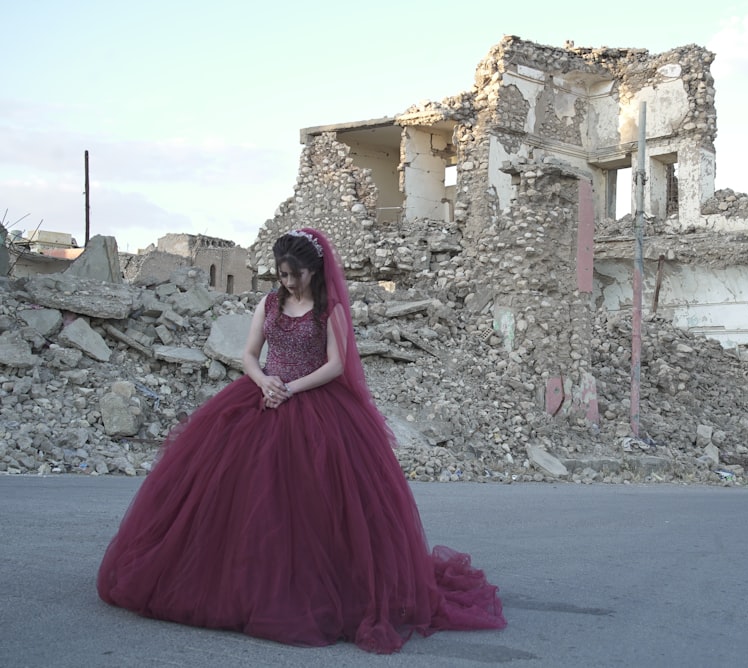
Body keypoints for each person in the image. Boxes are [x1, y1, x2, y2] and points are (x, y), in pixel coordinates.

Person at [97, 228, 506, 653]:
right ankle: (240, 586)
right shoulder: (270, 303)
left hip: (316, 404)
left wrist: (291, 388)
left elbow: (336, 365)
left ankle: (314, 590)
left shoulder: (329, 311)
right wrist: (264, 381)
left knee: (313, 507)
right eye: (282, 273)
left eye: (295, 274)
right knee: (243, 500)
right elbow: (250, 354)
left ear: (314, 270)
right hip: (262, 398)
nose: (288, 282)